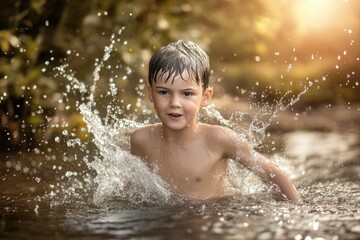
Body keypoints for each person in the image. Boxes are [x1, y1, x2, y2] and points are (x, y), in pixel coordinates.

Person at [130, 40, 302, 203]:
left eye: (187, 94)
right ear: (150, 93)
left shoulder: (218, 139)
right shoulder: (141, 140)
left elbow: (271, 173)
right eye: (164, 92)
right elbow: (136, 190)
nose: (175, 103)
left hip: (210, 219)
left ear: (205, 97)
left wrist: (298, 211)